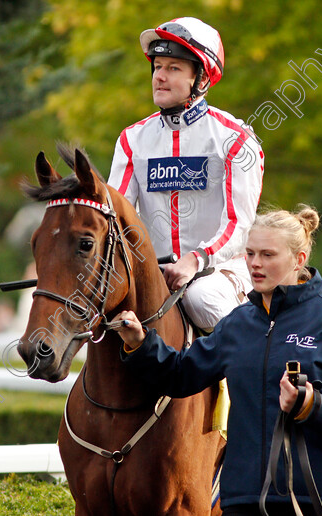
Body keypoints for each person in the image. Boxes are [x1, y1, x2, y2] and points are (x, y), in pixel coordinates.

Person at [111, 205, 322, 516]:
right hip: (244, 500)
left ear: (299, 260)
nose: (255, 264)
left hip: (320, 501)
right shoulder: (237, 323)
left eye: (268, 255)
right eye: (250, 254)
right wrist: (141, 344)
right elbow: (180, 375)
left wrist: (312, 404)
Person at [108, 17, 265, 331]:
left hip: (218, 272)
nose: (160, 77)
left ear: (202, 78)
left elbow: (239, 225)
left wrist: (196, 260)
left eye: (173, 68)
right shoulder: (131, 140)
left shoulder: (236, 139)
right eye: (157, 67)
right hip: (152, 274)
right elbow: (117, 217)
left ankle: (258, 372)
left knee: (200, 298)